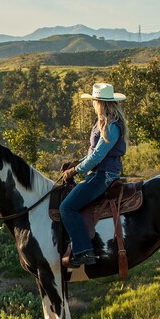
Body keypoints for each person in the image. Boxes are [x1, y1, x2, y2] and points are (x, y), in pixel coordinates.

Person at [59, 81, 127, 267]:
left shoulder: (111, 126)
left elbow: (97, 156)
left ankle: (83, 251)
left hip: (103, 175)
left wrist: (75, 170)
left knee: (67, 208)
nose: (93, 104)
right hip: (100, 171)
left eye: (94, 101)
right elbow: (94, 152)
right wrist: (78, 162)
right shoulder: (103, 123)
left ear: (100, 103)